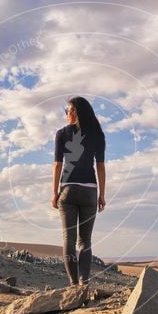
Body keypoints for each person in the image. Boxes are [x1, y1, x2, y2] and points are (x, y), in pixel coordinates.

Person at [51, 96, 106, 286]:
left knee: (69, 237)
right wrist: (102, 194)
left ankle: (74, 284)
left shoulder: (61, 133)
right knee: (85, 240)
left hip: (68, 189)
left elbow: (58, 165)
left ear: (74, 112)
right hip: (90, 191)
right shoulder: (97, 134)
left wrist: (54, 193)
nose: (67, 115)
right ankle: (84, 281)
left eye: (68, 111)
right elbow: (100, 166)